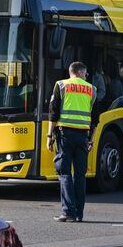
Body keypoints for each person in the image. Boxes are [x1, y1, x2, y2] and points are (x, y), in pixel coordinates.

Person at [47, 61, 97, 223]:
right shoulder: (92, 89)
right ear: (81, 73)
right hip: (82, 136)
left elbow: (53, 113)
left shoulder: (61, 85)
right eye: (86, 74)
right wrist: (92, 140)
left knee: (64, 172)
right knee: (80, 175)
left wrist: (49, 136)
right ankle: (78, 214)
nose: (86, 76)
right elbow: (94, 118)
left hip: (65, 135)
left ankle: (68, 210)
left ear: (72, 72)